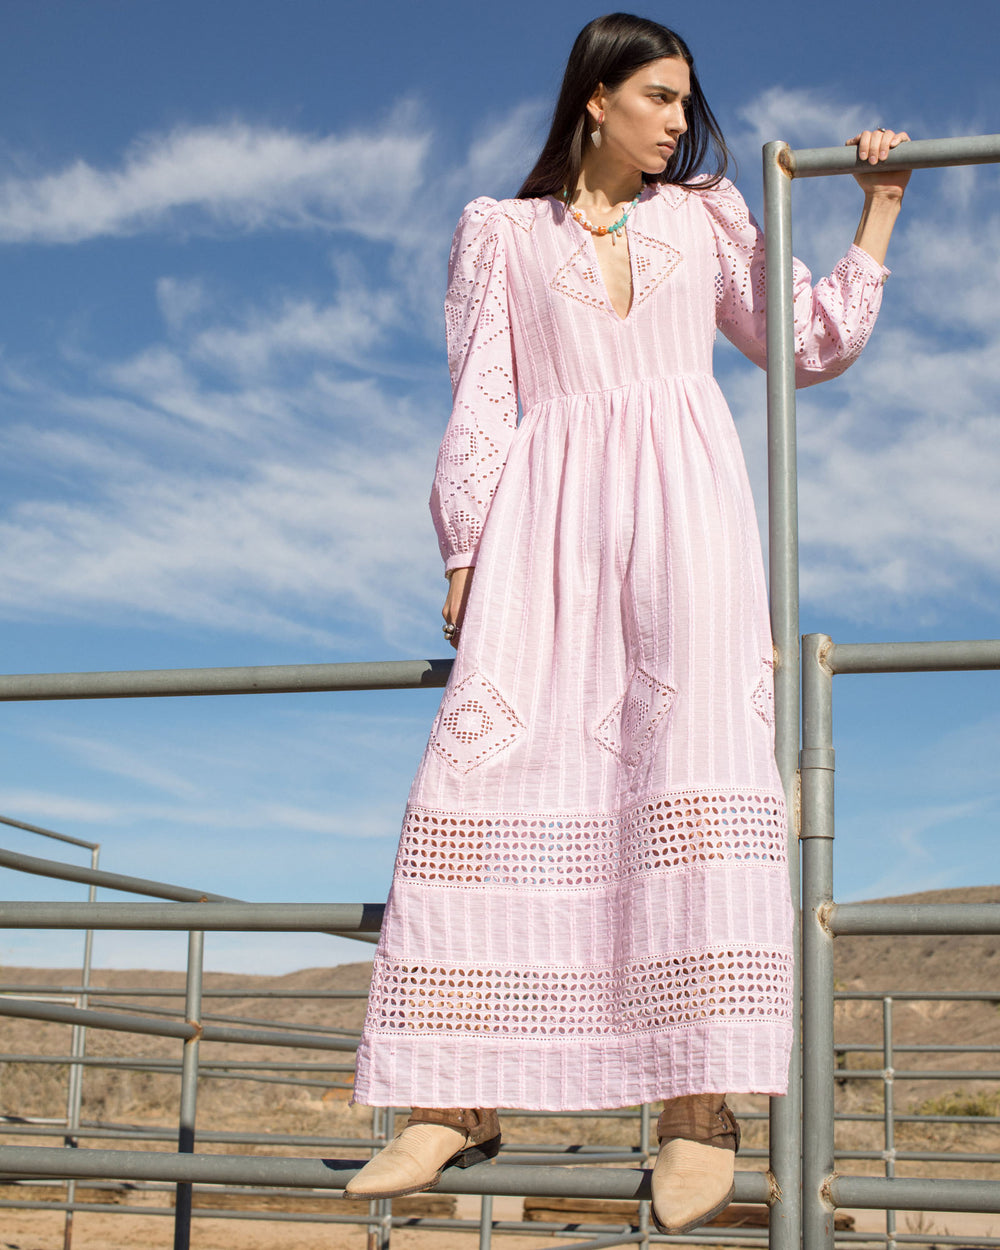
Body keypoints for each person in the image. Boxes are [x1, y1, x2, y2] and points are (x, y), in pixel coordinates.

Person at [346, 12, 909, 1235]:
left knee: (690, 764)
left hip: (689, 520)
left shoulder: (703, 214)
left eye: (682, 101)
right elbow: (482, 397)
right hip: (544, 526)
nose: (676, 119)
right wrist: (463, 540)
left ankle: (698, 1108)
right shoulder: (498, 233)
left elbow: (803, 341)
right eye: (656, 96)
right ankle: (457, 1090)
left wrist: (880, 205)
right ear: (593, 99)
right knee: (488, 772)